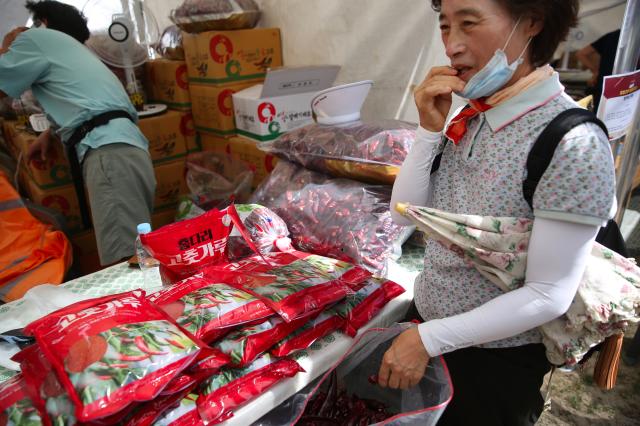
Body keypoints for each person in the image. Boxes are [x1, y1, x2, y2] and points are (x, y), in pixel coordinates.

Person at [380, 0, 616, 424]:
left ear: (532, 23)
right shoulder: (472, 114)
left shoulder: (573, 142)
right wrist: (428, 130)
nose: (452, 45)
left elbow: (549, 293)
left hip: (492, 363)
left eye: (469, 24)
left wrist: (429, 339)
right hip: (430, 330)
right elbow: (404, 214)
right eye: (445, 26)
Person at [0, 1, 156, 266]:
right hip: (125, 150)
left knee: (126, 262)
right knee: (137, 253)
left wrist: (8, 47)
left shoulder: (35, 38)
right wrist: (50, 132)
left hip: (109, 156)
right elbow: (84, 102)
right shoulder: (75, 51)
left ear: (43, 21)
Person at [575, 29, 620, 113]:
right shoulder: (632, 38)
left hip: (603, 86)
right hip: (626, 89)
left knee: (600, 115)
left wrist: (595, 71)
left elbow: (581, 54)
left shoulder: (611, 35)